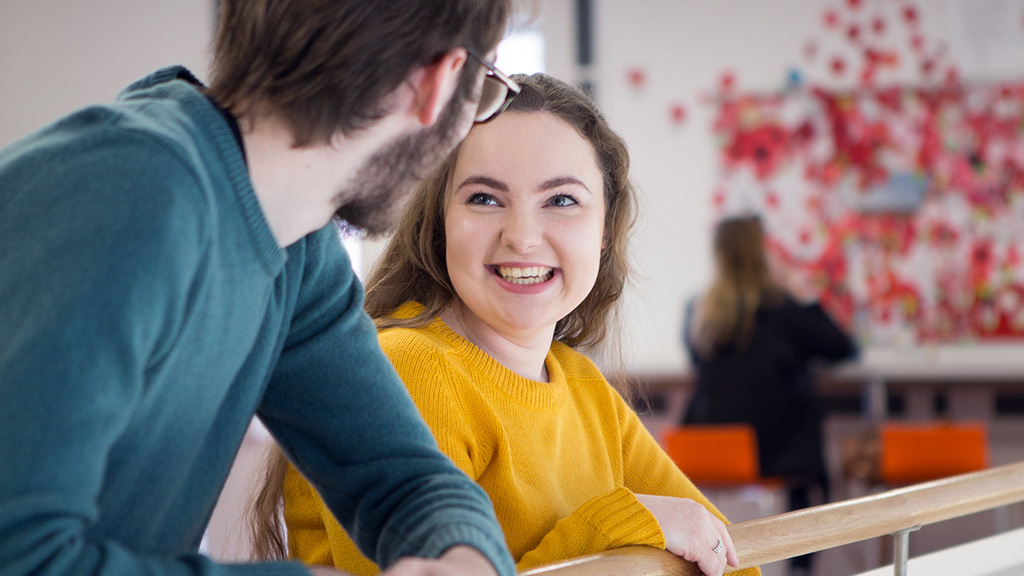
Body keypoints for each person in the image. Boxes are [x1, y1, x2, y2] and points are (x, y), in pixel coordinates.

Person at [0, 2, 522, 576]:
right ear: (438, 82)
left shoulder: (295, 241)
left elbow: (403, 477)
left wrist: (461, 559)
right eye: (488, 89)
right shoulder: (124, 197)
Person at [251, 74, 762, 576]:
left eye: (561, 200)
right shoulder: (408, 370)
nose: (521, 237)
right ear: (440, 223)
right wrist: (620, 526)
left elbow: (725, 558)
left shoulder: (583, 387)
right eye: (485, 198)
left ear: (605, 230)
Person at [682, 215, 857, 575]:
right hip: (776, 455)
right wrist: (800, 294)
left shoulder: (701, 314)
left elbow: (697, 360)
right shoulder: (782, 309)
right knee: (805, 442)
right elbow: (841, 347)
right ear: (763, 252)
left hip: (707, 450)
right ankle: (799, 568)